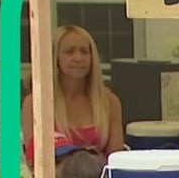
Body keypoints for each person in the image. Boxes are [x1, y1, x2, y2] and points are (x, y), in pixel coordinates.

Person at [21, 25, 125, 162]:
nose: (78, 58)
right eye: (69, 51)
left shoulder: (110, 102)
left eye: (84, 51)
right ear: (54, 57)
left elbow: (116, 161)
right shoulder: (35, 103)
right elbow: (35, 160)